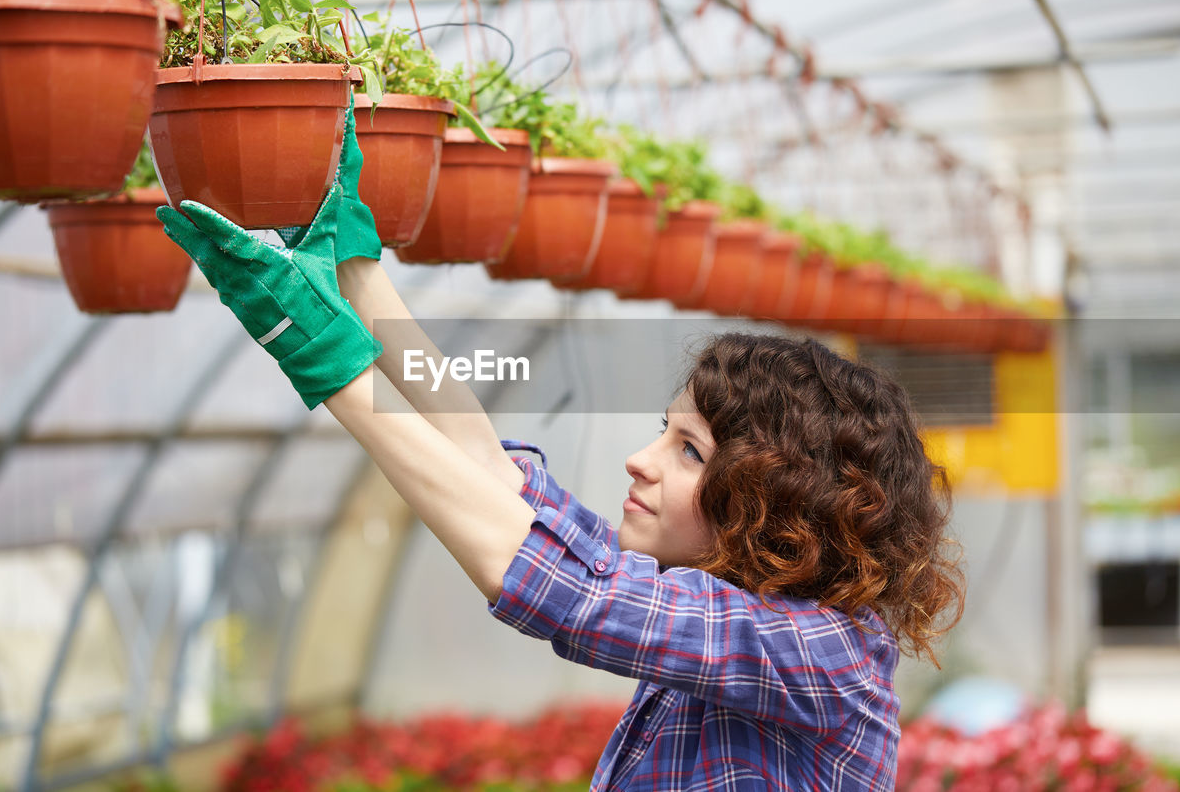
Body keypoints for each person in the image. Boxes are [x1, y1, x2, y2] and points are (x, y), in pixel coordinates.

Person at [157, 105, 965, 790]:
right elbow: (508, 493)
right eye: (666, 431)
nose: (641, 460)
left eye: (689, 451)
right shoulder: (738, 619)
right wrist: (361, 273)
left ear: (779, 505)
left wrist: (328, 364)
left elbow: (566, 591)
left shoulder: (822, 655)